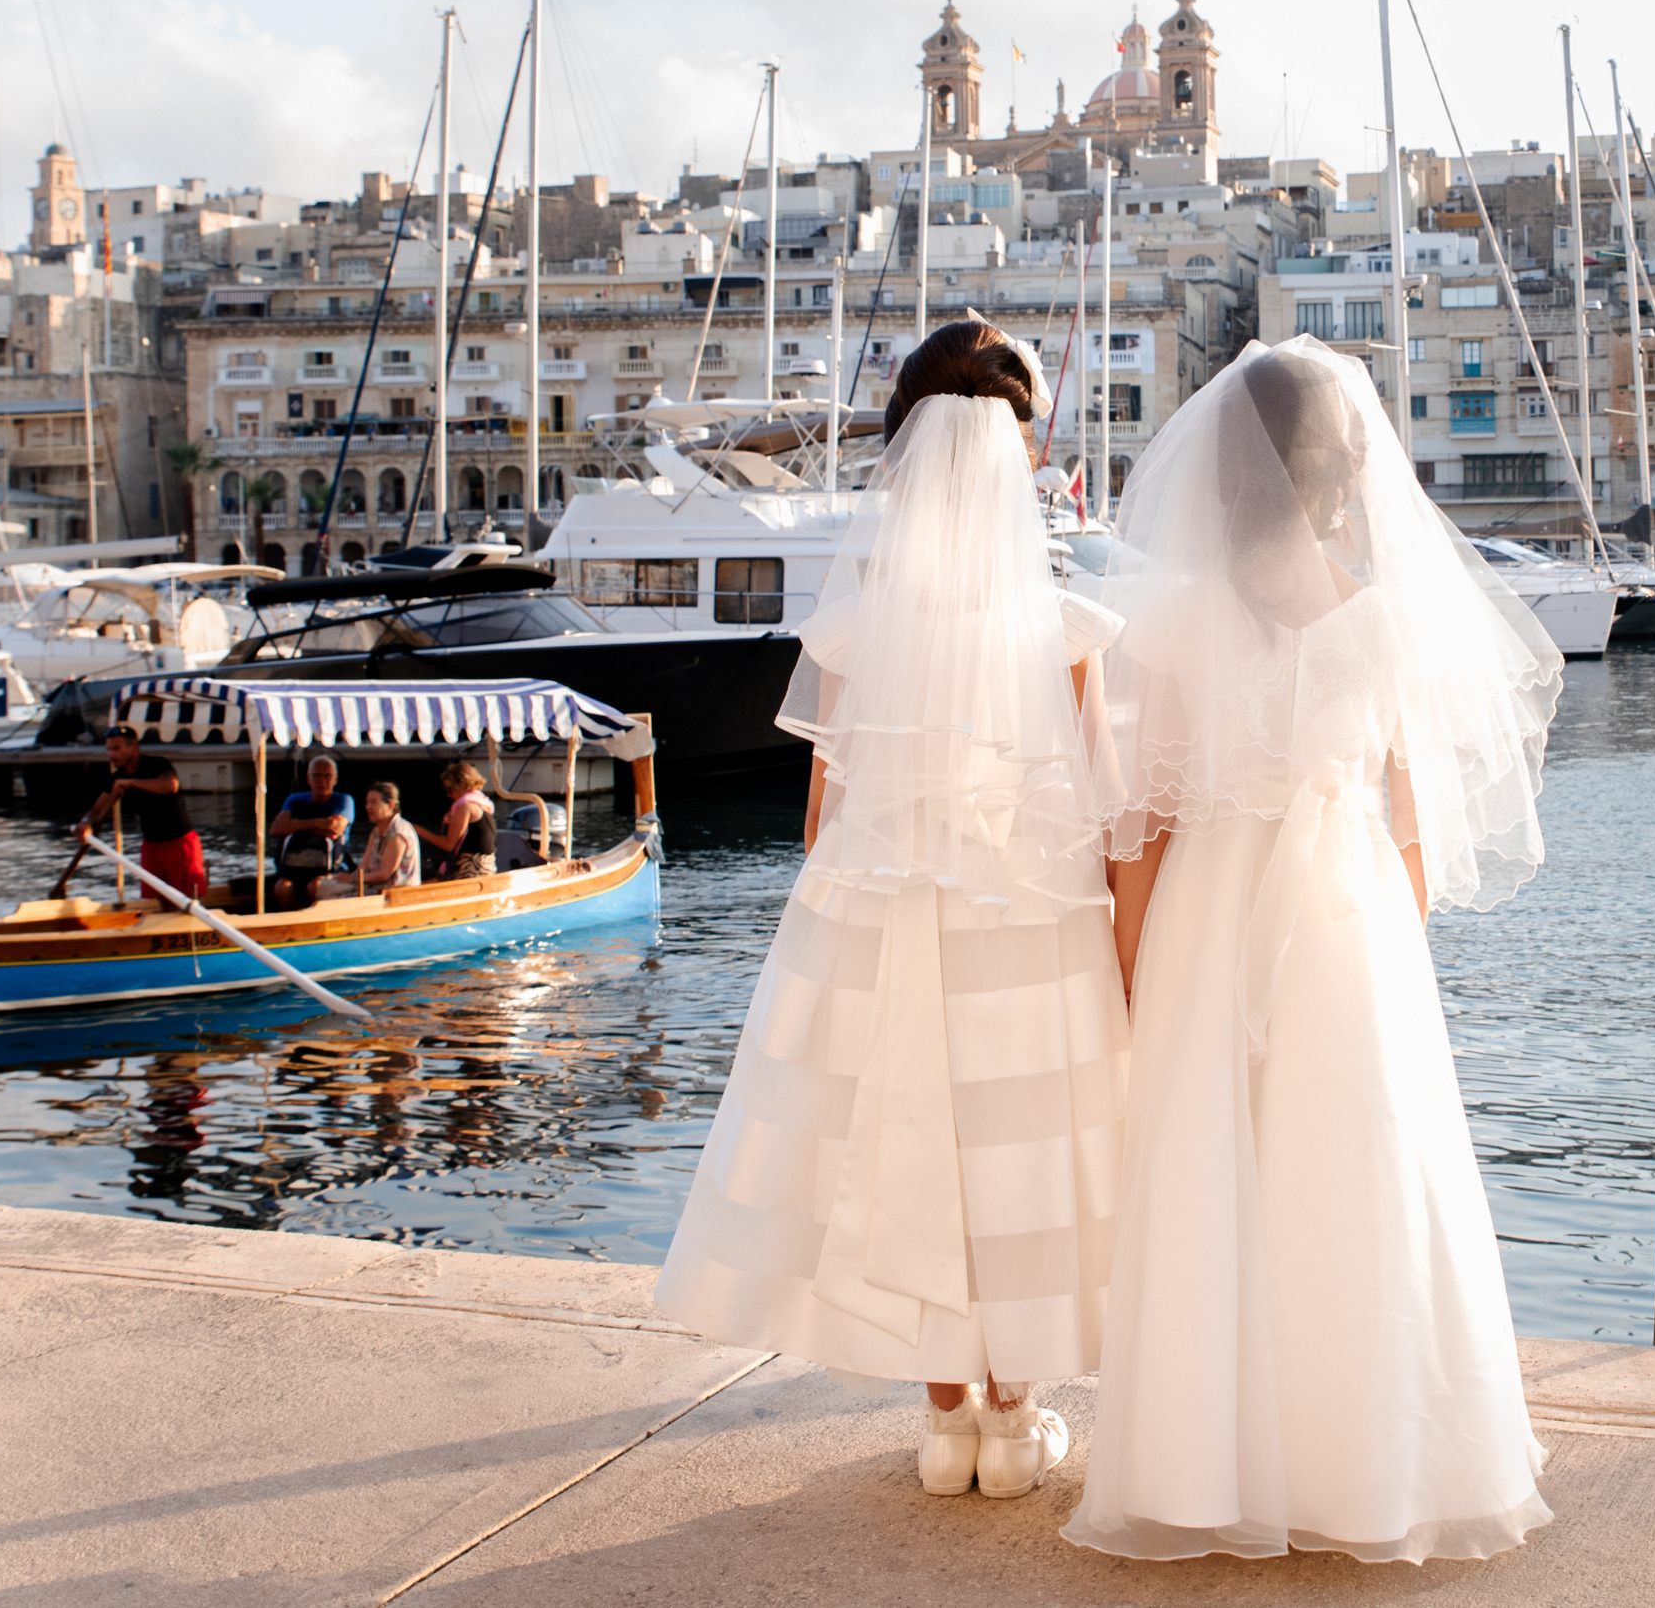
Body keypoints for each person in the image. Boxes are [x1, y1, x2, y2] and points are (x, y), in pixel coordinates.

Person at [1062, 338, 1564, 1565]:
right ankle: (1367, 1470)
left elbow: (1147, 828)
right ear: (1344, 476)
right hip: (1345, 915)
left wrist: (1128, 964)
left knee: (1209, 1177)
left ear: (1227, 479)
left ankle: (1202, 1464)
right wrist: (1386, 944)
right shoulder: (1385, 624)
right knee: (1358, 1177)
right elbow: (1411, 838)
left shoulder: (1171, 623)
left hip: (1211, 913)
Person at [656, 319, 1129, 1503]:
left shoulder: (860, 626)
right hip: (1031, 923)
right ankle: (1016, 1415)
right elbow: (1109, 808)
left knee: (896, 1133)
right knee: (1020, 1148)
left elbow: (821, 815)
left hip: (882, 919)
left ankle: (945, 1421)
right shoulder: (1065, 628)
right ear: (1016, 455)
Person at [75, 724, 203, 907]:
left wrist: (131, 783)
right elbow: (96, 811)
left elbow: (170, 785)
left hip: (179, 843)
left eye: (117, 749)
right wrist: (85, 822)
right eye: (109, 749)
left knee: (187, 901)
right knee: (156, 901)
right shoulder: (116, 779)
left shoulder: (157, 764)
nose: (111, 755)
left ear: (133, 747)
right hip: (151, 847)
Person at [269, 755, 354, 907]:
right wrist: (318, 822)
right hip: (295, 867)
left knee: (315, 886)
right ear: (308, 779)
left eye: (328, 776)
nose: (322, 781)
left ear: (336, 779)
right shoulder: (295, 799)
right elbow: (276, 828)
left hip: (331, 869)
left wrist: (296, 826)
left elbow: (334, 830)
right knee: (282, 888)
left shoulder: (344, 801)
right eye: (317, 776)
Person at [331, 780, 420, 899]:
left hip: (394, 895)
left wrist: (352, 878)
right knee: (320, 887)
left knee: (330, 899)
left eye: (374, 802)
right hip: (374, 888)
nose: (368, 807)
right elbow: (364, 866)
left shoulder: (398, 833)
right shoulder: (376, 832)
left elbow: (384, 875)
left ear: (390, 805)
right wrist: (344, 878)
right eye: (367, 802)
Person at [415, 762, 496, 881]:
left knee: (415, 887)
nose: (448, 795)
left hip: (469, 872)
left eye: (450, 789)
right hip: (485, 870)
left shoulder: (465, 807)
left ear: (462, 785)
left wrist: (420, 831)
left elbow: (448, 845)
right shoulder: (481, 803)